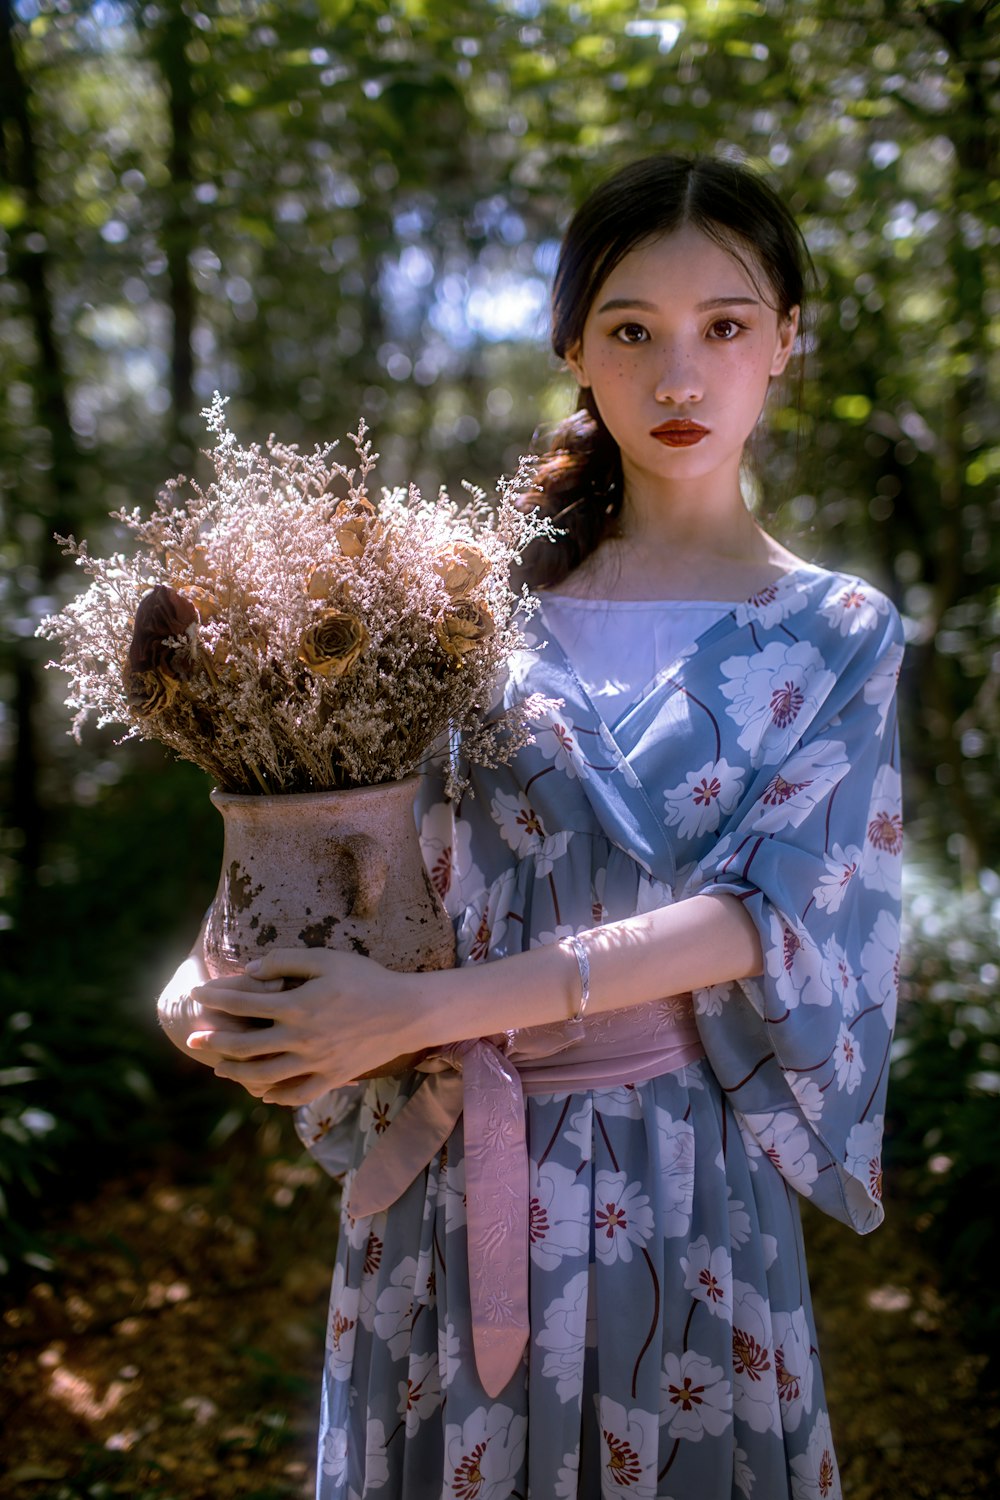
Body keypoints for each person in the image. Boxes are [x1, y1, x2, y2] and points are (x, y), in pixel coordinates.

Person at [158, 154, 904, 1499]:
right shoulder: (458, 607)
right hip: (443, 1189)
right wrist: (216, 978)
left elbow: (767, 918)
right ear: (574, 346)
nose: (679, 379)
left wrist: (412, 1013)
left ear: (787, 339)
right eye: (633, 331)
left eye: (723, 326)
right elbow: (319, 822)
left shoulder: (835, 629)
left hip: (679, 1188)